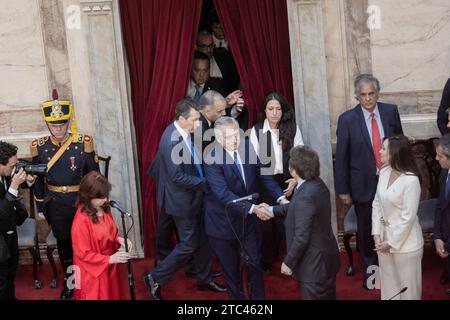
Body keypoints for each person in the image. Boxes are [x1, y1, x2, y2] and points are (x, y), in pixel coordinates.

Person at [144, 99, 226, 300]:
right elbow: (177, 176)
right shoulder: (172, 139)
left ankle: (204, 278)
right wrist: (205, 182)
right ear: (181, 119)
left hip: (191, 197)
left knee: (202, 239)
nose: (197, 125)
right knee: (189, 243)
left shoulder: (181, 131)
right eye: (194, 120)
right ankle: (155, 277)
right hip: (181, 201)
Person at [203, 116, 287, 300]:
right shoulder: (211, 157)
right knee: (231, 271)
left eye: (236, 135)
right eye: (229, 137)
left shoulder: (246, 146)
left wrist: (280, 197)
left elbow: (262, 174)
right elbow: (223, 194)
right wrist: (254, 209)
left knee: (254, 264)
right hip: (222, 224)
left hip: (247, 221)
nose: (234, 141)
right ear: (218, 138)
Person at [335, 74, 403, 288]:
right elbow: (342, 158)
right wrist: (343, 190)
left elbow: (400, 145)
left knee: (392, 226)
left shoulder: (390, 111)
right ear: (357, 96)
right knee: (366, 233)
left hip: (391, 180)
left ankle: (393, 271)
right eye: (363, 95)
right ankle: (372, 275)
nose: (367, 99)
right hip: (362, 185)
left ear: (377, 93)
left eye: (371, 94)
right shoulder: (347, 119)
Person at [31, 90, 100, 299]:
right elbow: (37, 179)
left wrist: (94, 203)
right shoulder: (39, 147)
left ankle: (89, 278)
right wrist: (41, 205)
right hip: (55, 204)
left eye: (62, 124)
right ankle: (72, 282)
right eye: (54, 125)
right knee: (64, 243)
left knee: (85, 243)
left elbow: (93, 176)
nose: (58, 128)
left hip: (79, 202)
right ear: (47, 124)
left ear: (68, 121)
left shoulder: (82, 142)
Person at [256, 146, 340, 300]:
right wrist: (272, 210)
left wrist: (288, 262)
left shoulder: (304, 195)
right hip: (325, 258)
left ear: (293, 171)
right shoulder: (316, 184)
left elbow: (302, 236)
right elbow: (298, 207)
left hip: (314, 265)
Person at [249, 91, 304, 272]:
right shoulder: (258, 131)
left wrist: (295, 181)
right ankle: (267, 260)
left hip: (289, 180)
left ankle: (292, 260)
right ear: (264, 111)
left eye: (278, 109)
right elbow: (258, 166)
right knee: (267, 225)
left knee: (289, 222)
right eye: (271, 109)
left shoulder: (292, 128)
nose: (275, 113)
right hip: (266, 181)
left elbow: (300, 157)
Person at [372, 135, 423, 300]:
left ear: (395, 153)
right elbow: (377, 203)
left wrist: (391, 243)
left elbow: (407, 218)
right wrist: (376, 233)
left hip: (406, 246)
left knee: (409, 294)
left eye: (384, 148)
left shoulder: (411, 181)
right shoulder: (384, 171)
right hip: (383, 243)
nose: (380, 151)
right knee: (389, 291)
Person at [71, 171, 131, 300]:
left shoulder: (103, 207)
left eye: (106, 196)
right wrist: (109, 259)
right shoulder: (80, 221)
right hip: (92, 272)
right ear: (89, 196)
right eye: (102, 197)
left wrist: (118, 239)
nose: (106, 200)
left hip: (108, 265)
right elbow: (83, 254)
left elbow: (107, 233)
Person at [0, 141, 33, 300]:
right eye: (12, 166)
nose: (14, 169)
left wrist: (26, 182)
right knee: (1, 280)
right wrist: (14, 185)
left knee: (11, 275)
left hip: (11, 233)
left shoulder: (4, 174)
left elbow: (8, 190)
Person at [187, 51, 247, 130]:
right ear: (190, 69)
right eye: (197, 70)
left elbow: (225, 114)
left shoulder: (217, 86)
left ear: (210, 69)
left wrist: (234, 109)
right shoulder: (180, 86)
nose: (201, 75)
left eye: (205, 71)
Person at [433, 134, 450, 294]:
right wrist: (437, 236)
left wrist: (447, 244)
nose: (436, 159)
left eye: (440, 156)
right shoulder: (444, 173)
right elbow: (439, 206)